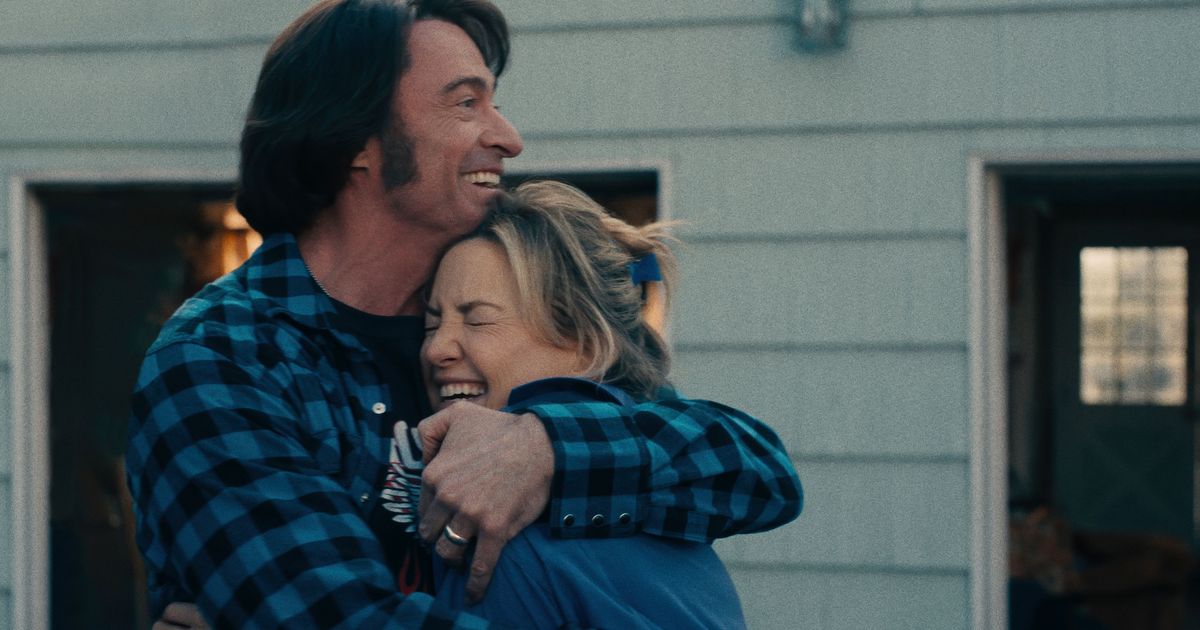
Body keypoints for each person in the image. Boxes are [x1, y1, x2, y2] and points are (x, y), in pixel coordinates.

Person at [126, 0, 802, 628]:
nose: (508, 137)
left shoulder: (500, 309)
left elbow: (754, 470)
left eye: (493, 103)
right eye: (466, 103)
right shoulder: (222, 357)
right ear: (354, 140)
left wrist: (546, 449)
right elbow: (343, 619)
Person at [425, 179, 747, 628]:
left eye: (477, 320)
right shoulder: (664, 487)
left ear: (585, 340)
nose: (436, 349)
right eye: (430, 324)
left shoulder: (499, 524)